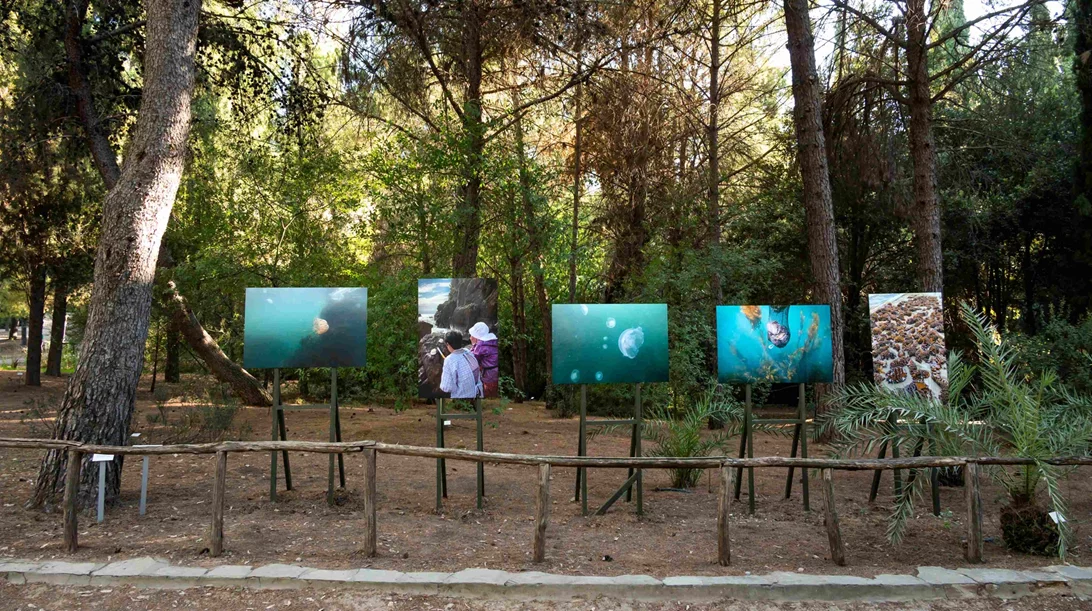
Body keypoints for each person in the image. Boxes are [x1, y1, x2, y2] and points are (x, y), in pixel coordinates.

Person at [439, 330, 483, 399]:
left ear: (447, 344)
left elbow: (446, 388)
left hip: (463, 397)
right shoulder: (468, 352)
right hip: (478, 393)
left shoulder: (449, 360)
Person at [468, 322, 499, 397]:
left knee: (488, 392)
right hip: (495, 371)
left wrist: (473, 344)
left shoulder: (481, 344)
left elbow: (473, 358)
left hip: (489, 374)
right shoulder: (492, 340)